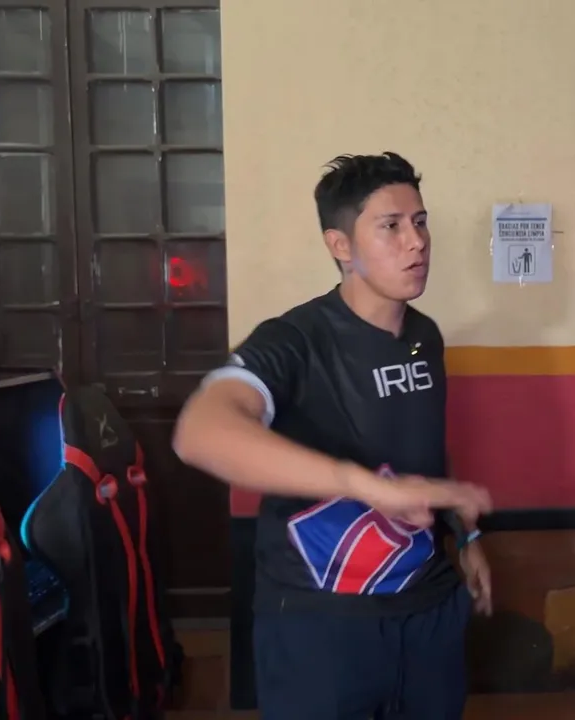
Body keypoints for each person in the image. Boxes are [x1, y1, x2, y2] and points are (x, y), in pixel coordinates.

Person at [173, 152, 494, 719]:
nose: (417, 242)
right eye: (391, 226)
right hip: (321, 623)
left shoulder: (424, 337)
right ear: (340, 245)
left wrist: (466, 538)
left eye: (420, 222)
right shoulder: (295, 340)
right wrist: (365, 486)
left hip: (428, 612)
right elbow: (199, 432)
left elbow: (423, 451)